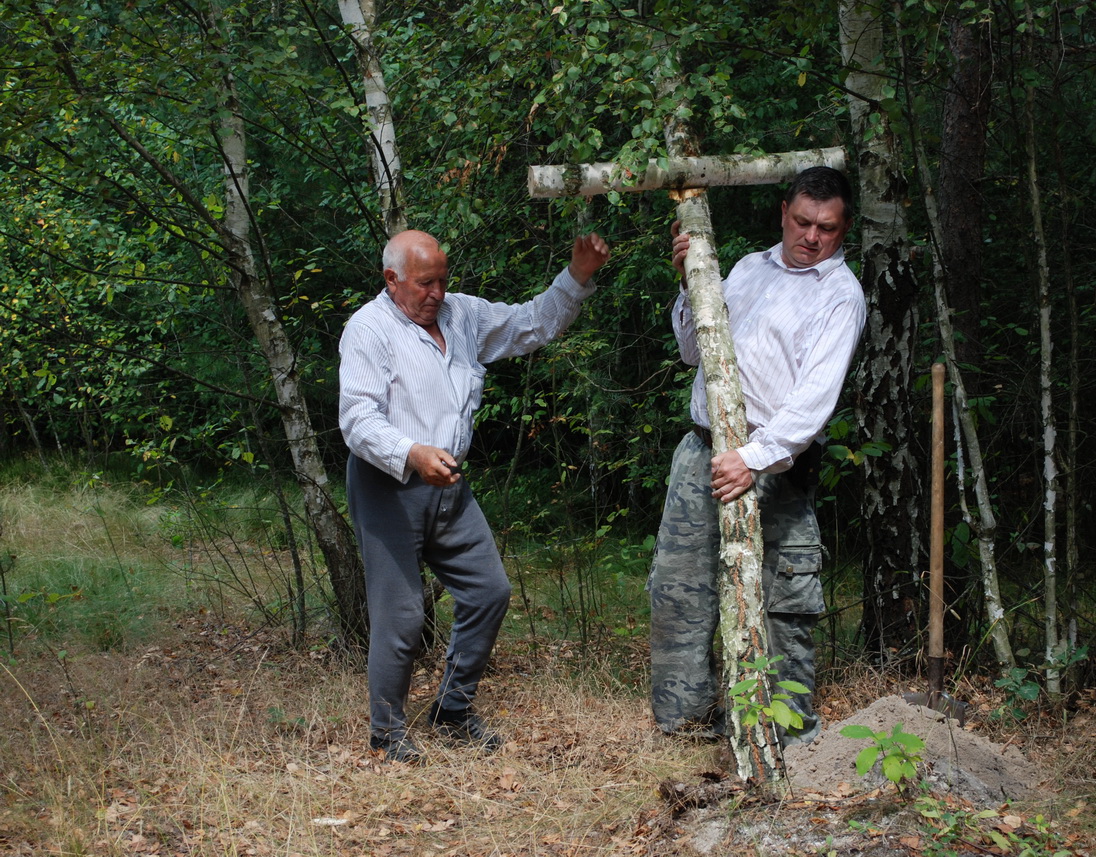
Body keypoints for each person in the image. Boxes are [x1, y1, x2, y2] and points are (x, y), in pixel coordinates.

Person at [340, 229, 610, 761]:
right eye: (424, 284)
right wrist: (412, 452)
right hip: (387, 485)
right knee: (402, 615)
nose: (437, 293)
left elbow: (532, 323)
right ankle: (387, 732)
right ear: (391, 280)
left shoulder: (461, 316)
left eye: (442, 280)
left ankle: (453, 710)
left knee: (489, 592)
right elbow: (356, 419)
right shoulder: (368, 330)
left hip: (449, 486)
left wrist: (578, 274)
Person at [649, 166, 866, 745]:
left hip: (776, 468)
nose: (811, 237)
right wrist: (688, 283)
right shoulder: (746, 269)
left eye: (827, 227)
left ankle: (788, 739)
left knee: (780, 603)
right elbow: (695, 353)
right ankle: (687, 726)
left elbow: (812, 403)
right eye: (802, 222)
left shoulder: (840, 297)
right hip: (700, 452)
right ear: (783, 213)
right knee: (680, 589)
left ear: (843, 229)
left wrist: (754, 457)